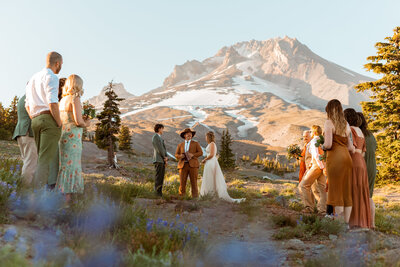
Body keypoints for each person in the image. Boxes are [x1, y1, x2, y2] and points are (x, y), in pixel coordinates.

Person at [25, 51, 63, 190]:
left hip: (35, 119)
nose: (60, 68)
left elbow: (27, 105)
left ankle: (36, 194)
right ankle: (37, 196)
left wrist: (35, 117)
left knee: (41, 157)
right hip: (48, 119)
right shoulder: (52, 76)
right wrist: (59, 123)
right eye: (61, 65)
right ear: (57, 63)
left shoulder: (33, 78)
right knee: (45, 160)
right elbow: (53, 102)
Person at [56, 74, 90, 202]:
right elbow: (78, 122)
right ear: (78, 85)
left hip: (63, 135)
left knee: (63, 167)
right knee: (72, 166)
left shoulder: (62, 100)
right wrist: (87, 123)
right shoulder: (74, 98)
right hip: (73, 138)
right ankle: (67, 203)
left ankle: (59, 200)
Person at [322, 99, 354, 225]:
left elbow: (329, 144)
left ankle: (337, 223)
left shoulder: (329, 122)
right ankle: (346, 223)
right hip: (347, 158)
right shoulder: (346, 124)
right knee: (346, 191)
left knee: (335, 190)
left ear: (329, 110)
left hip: (335, 158)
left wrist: (322, 146)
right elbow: (351, 147)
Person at [344, 108, 372, 229]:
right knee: (361, 191)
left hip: (353, 161)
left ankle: (353, 221)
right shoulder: (360, 131)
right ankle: (363, 221)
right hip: (361, 162)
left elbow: (352, 149)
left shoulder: (350, 130)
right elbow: (363, 152)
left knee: (352, 189)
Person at [200, 131, 245, 203]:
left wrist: (204, 159)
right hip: (210, 162)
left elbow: (211, 155)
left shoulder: (212, 144)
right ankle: (210, 194)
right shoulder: (211, 144)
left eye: (206, 137)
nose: (205, 138)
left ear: (208, 137)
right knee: (209, 177)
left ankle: (211, 194)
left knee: (210, 177)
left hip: (211, 162)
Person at [299, 125, 327, 213]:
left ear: (314, 132)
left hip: (318, 165)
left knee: (303, 185)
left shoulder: (315, 140)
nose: (310, 133)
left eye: (311, 132)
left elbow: (316, 155)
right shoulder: (322, 140)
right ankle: (322, 210)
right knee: (322, 189)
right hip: (321, 164)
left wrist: (322, 167)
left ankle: (309, 208)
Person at [12, 94, 38, 186]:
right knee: (30, 164)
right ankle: (24, 191)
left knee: (27, 162)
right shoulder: (32, 97)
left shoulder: (23, 97)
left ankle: (25, 190)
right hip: (28, 132)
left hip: (21, 132)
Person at [358, 112, 377, 228]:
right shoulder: (371, 135)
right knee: (369, 196)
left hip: (362, 165)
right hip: (372, 166)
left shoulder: (358, 135)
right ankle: (372, 223)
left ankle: (361, 223)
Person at [175, 128, 203, 198]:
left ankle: (195, 198)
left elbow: (200, 153)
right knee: (182, 183)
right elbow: (176, 155)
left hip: (193, 166)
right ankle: (182, 198)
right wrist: (180, 156)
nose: (189, 135)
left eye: (190, 134)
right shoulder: (180, 145)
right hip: (183, 165)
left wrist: (192, 154)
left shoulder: (196, 143)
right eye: (187, 133)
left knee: (194, 183)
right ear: (184, 135)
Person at [152, 124, 168, 197]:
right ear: (159, 129)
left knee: (161, 178)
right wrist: (164, 157)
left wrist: (166, 157)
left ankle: (160, 193)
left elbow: (164, 149)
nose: (163, 130)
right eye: (162, 129)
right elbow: (159, 149)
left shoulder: (160, 138)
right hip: (158, 160)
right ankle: (157, 194)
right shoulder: (155, 137)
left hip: (162, 160)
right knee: (158, 177)